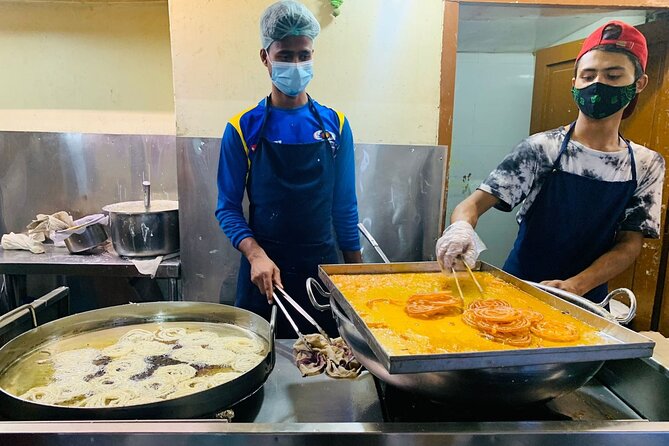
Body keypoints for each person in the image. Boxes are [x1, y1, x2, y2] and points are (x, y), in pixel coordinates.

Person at [436, 21, 665, 303]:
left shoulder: (646, 164)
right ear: (575, 83)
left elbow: (630, 244)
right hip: (521, 288)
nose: (597, 84)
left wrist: (576, 286)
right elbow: (472, 205)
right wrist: (461, 229)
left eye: (613, 76)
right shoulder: (541, 148)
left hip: (586, 298)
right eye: (588, 75)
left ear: (638, 84)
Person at [215, 1, 362, 338]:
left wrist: (356, 275)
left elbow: (344, 206)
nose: (295, 64)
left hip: (323, 271)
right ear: (265, 57)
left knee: (330, 364)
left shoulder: (336, 125)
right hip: (266, 273)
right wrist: (254, 255)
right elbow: (227, 207)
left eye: (303, 55)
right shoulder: (242, 128)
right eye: (284, 56)